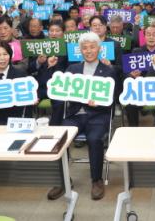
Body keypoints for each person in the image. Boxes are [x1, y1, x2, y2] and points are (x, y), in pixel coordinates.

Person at [48, 32, 113, 201]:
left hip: (98, 115)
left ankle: (97, 180)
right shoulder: (72, 69)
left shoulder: (108, 70)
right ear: (80, 50)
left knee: (94, 139)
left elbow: (113, 99)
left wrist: (99, 103)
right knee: (60, 138)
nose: (88, 51)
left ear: (99, 49)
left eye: (92, 47)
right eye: (85, 48)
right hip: (75, 114)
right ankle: (62, 180)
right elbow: (60, 89)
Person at [0, 41, 33, 125]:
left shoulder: (20, 75)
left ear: (10, 55)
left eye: (5, 54)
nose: (2, 58)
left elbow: (27, 103)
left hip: (14, 120)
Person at [124, 24, 155, 126]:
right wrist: (132, 75)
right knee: (130, 103)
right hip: (141, 90)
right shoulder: (136, 51)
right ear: (144, 36)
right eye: (148, 34)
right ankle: (133, 129)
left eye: (154, 34)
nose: (151, 37)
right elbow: (128, 74)